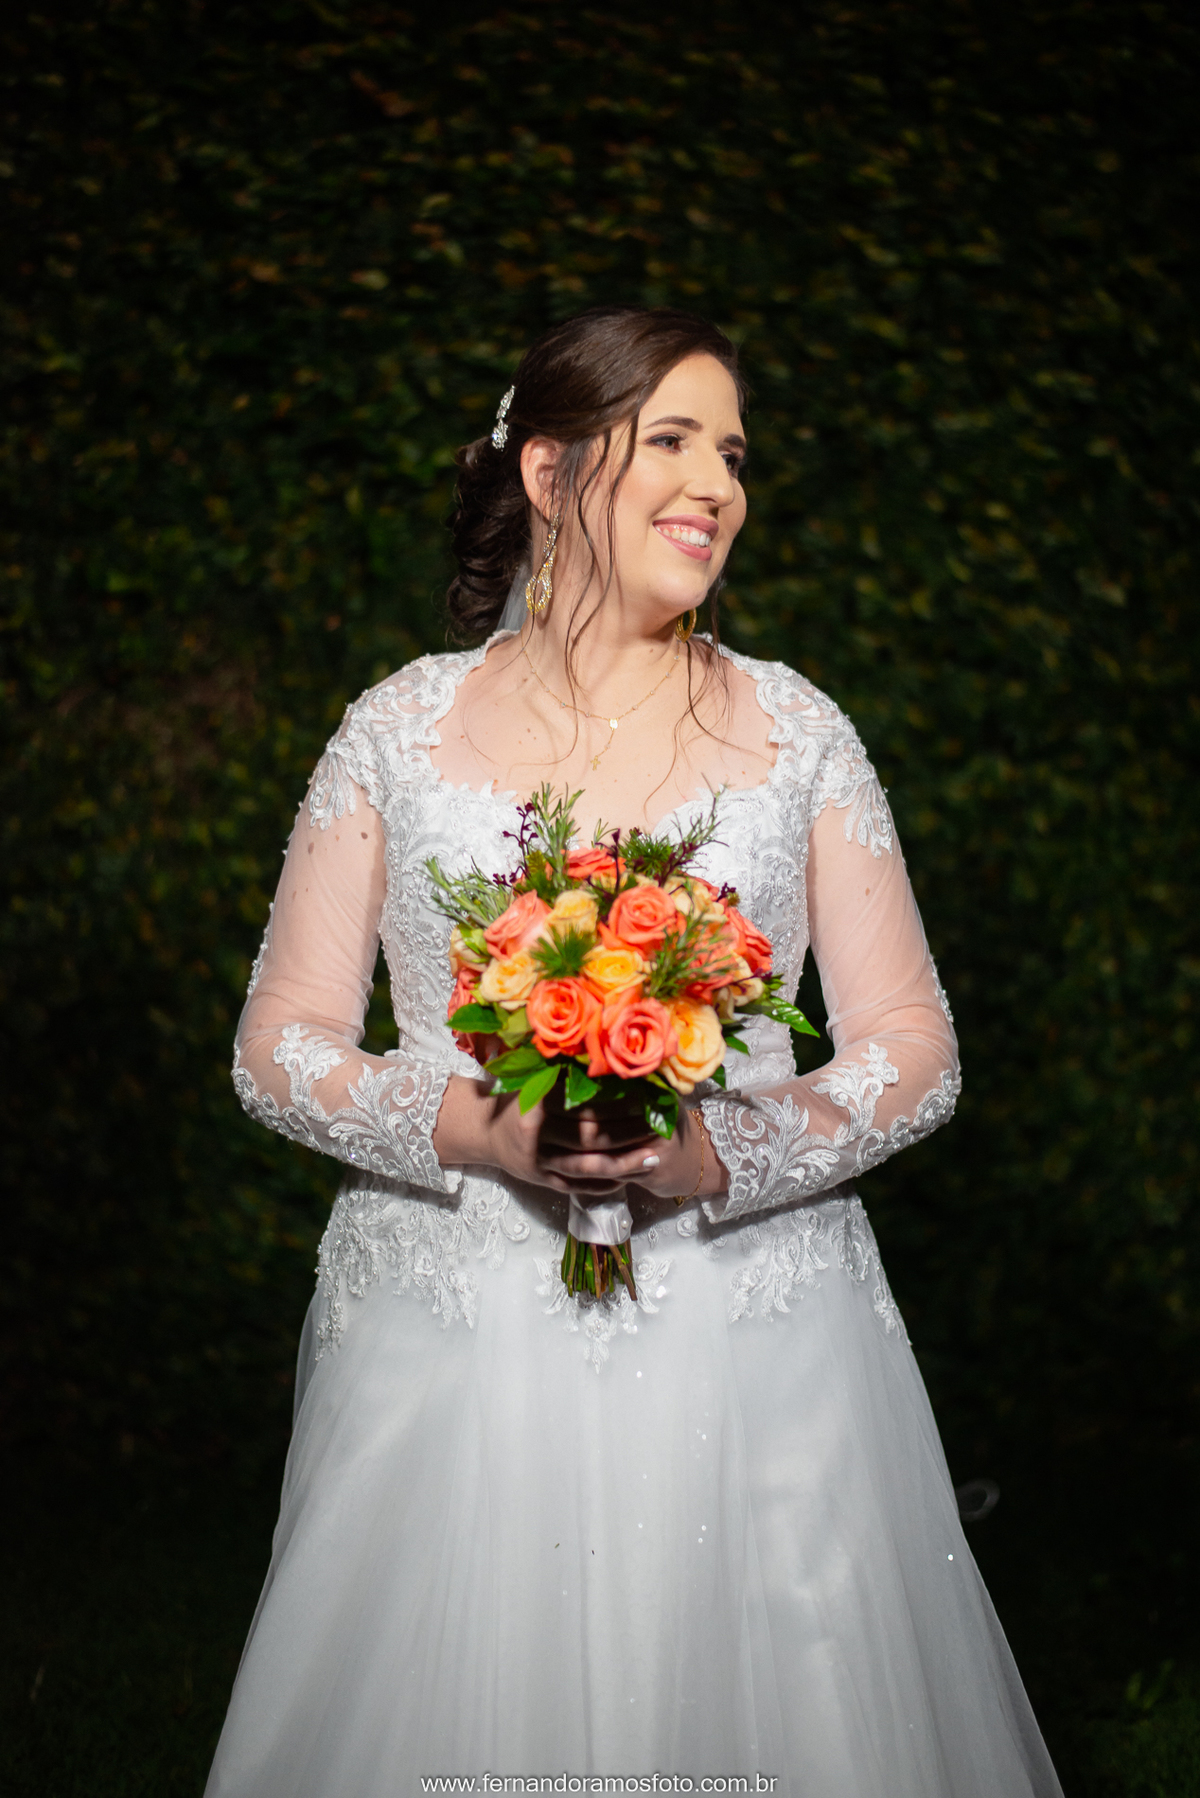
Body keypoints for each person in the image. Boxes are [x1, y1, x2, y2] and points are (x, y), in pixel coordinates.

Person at [206, 307, 1062, 1797]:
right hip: (453, 1351)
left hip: (756, 1349)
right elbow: (278, 1045)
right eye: (671, 439)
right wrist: (475, 1126)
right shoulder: (397, 730)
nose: (718, 484)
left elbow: (915, 1044)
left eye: (732, 451)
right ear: (548, 472)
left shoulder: (797, 732)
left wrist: (719, 1148)